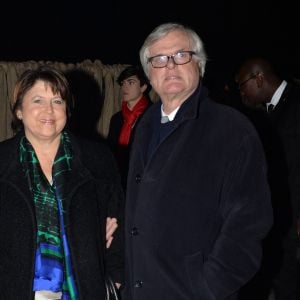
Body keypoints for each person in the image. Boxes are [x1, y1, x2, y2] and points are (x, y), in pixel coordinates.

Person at [122, 22, 273, 300]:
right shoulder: (145, 125)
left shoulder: (231, 128)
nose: (170, 66)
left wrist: (208, 287)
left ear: (199, 65)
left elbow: (248, 225)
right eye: (159, 59)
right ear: (149, 74)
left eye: (181, 55)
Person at [0, 66, 124, 299]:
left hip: (83, 289)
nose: (49, 110)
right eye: (37, 100)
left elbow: (122, 222)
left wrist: (115, 278)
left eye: (57, 101)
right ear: (19, 110)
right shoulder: (2, 161)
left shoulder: (97, 158)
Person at [235, 57, 300, 300]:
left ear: (259, 78)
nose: (242, 92)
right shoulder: (266, 113)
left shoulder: (296, 103)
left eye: (243, 85)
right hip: (277, 214)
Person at [107, 65, 151, 190]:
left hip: (143, 184)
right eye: (122, 83)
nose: (124, 87)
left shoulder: (153, 117)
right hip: (118, 181)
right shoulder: (116, 119)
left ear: (143, 87)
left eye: (130, 82)